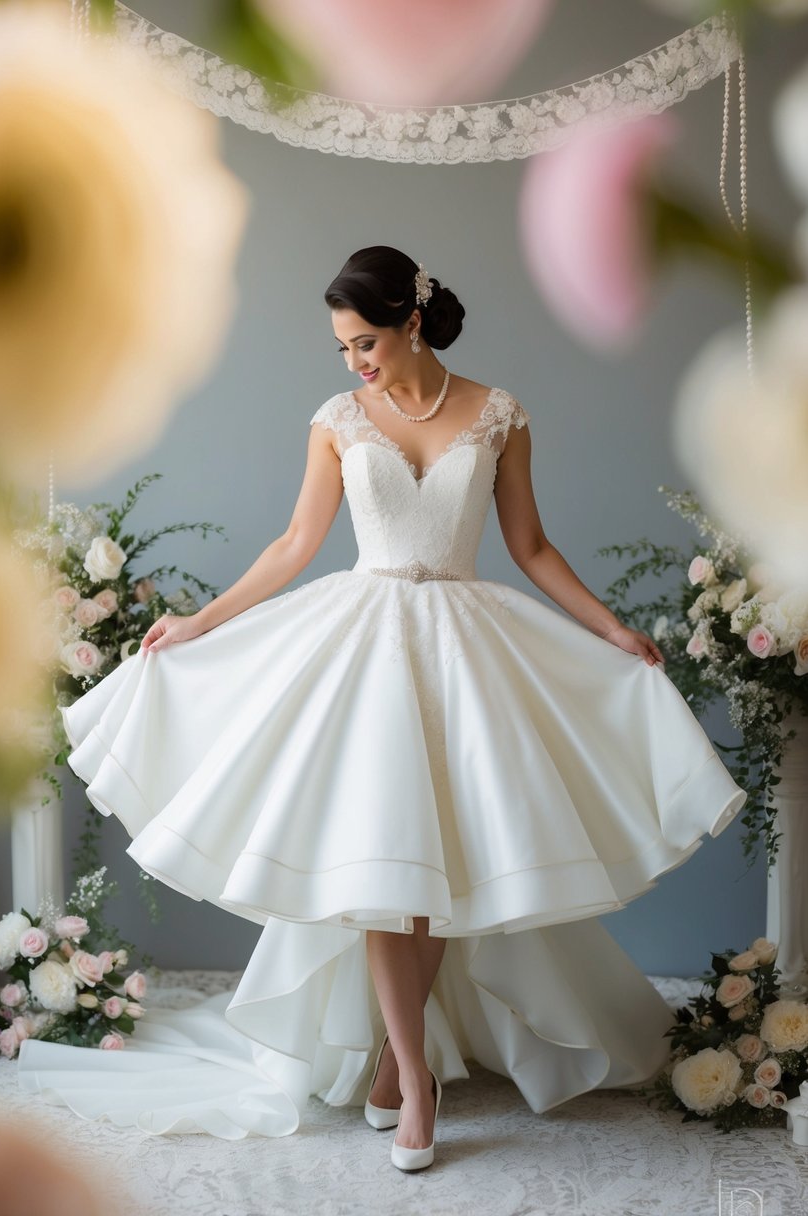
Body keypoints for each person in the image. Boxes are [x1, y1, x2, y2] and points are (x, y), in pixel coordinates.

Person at [54, 245, 746, 1170]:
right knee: (384, 871)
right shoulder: (338, 419)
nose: (354, 363)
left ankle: (394, 1059)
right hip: (362, 642)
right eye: (342, 347)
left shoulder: (497, 413)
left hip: (466, 647)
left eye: (365, 341)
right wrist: (200, 619)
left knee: (438, 871)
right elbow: (295, 543)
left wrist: (612, 629)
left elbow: (531, 547)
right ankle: (416, 1081)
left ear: (411, 321)